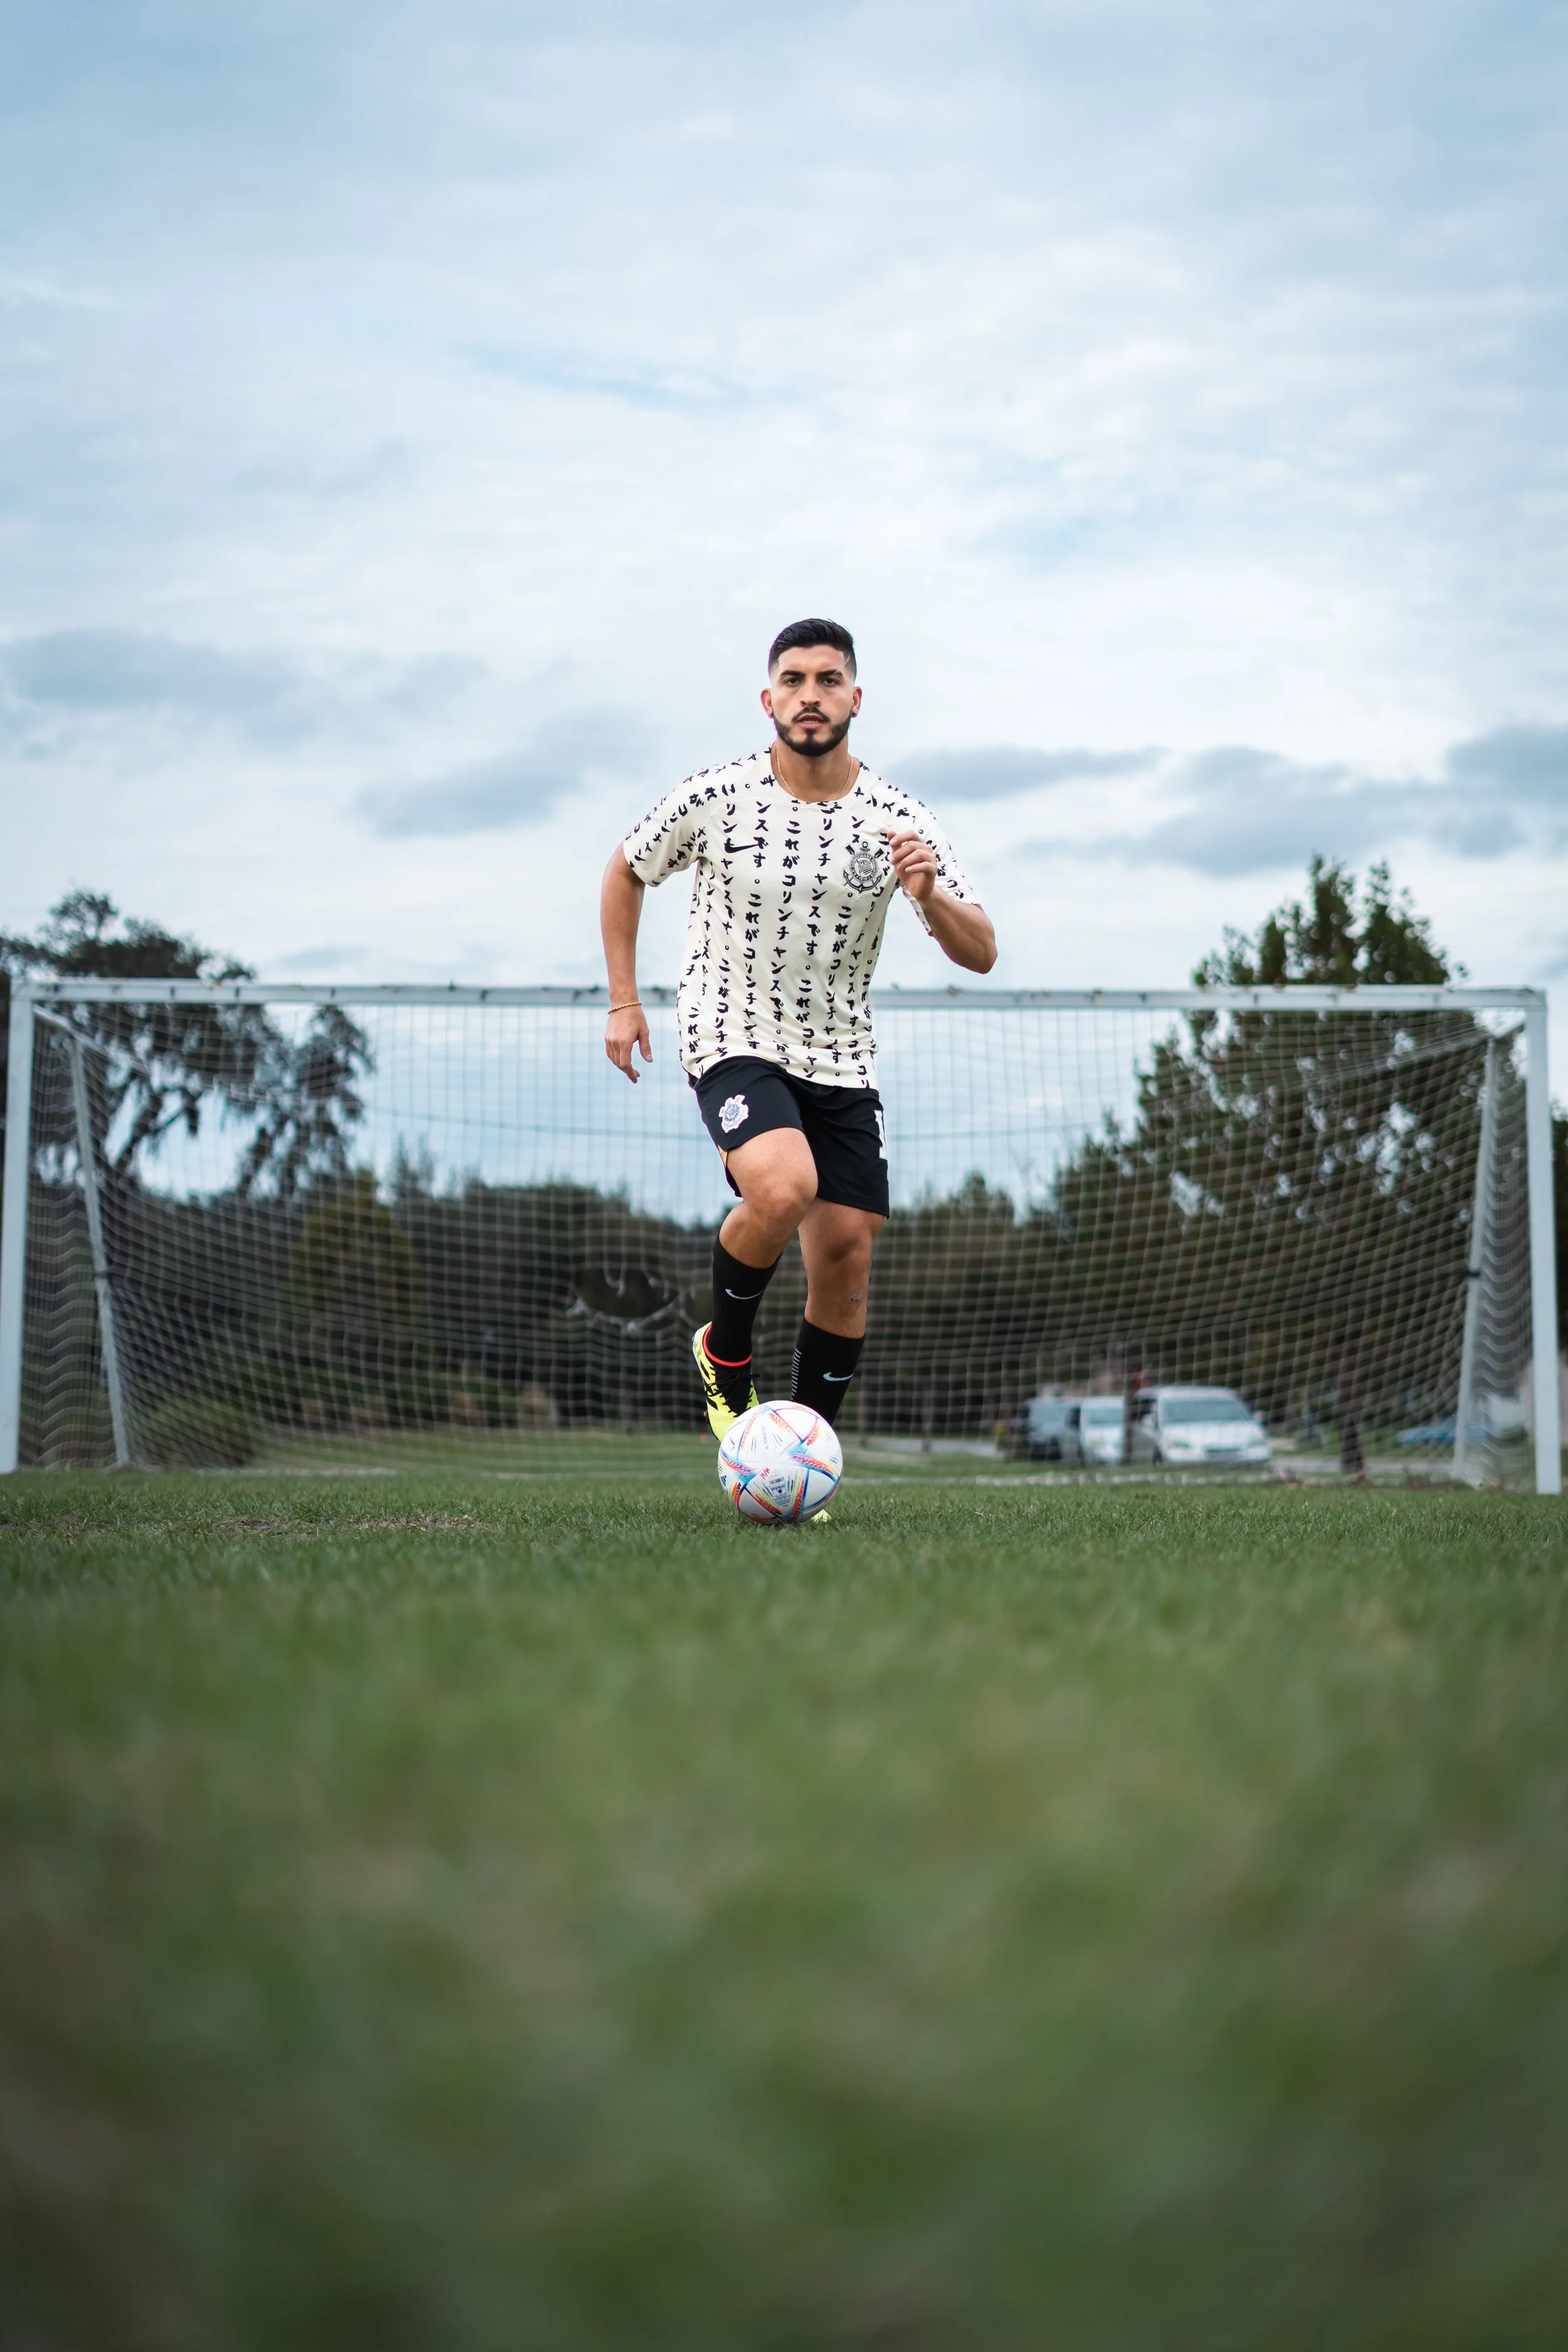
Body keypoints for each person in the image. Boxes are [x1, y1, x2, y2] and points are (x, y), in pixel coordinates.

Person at [600, 618, 996, 1442]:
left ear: (856, 697)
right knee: (784, 1186)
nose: (809, 696)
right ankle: (726, 1353)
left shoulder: (899, 818)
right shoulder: (715, 796)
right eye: (793, 680)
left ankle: (798, 1456)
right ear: (767, 697)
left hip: (843, 1055)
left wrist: (929, 895)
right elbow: (625, 867)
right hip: (732, 1030)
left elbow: (982, 950)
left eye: (826, 680)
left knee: (847, 1254)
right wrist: (623, 999)